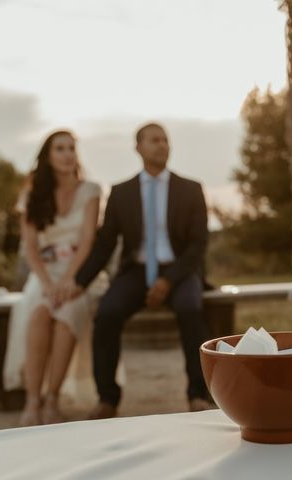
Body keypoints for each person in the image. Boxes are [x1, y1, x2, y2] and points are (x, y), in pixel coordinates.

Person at [71, 122, 212, 420]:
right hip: (135, 271)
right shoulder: (121, 193)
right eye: (154, 140)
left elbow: (198, 245)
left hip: (180, 270)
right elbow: (106, 243)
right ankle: (107, 399)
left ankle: (198, 393)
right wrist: (79, 281)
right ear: (138, 148)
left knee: (191, 309)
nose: (162, 145)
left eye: (165, 140)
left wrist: (167, 280)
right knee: (107, 314)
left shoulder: (191, 189)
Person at [3, 130, 101, 426]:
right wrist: (47, 284)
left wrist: (69, 281)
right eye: (60, 148)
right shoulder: (32, 194)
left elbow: (87, 241)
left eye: (72, 148)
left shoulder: (91, 190)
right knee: (38, 312)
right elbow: (31, 248)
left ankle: (52, 398)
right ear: (48, 155)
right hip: (43, 273)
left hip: (79, 273)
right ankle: (32, 399)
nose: (68, 153)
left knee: (66, 315)